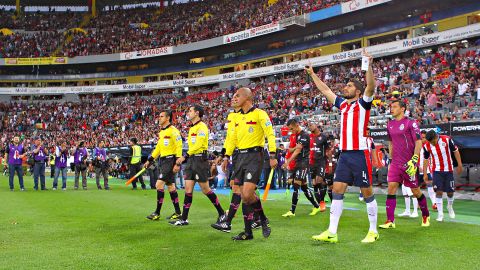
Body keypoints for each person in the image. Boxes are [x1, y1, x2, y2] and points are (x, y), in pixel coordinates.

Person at [308, 49, 379, 243]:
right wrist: (312, 74)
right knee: (337, 191)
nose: (344, 88)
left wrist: (369, 65)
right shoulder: (343, 105)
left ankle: (373, 231)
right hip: (345, 155)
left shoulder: (363, 103)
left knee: (367, 193)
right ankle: (332, 232)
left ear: (357, 91)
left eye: (348, 86)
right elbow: (325, 90)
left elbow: (371, 86)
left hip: (360, 153)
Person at [213, 87, 277, 241]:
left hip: (255, 155)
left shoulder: (259, 114)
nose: (234, 98)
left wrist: (273, 155)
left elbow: (270, 134)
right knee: (244, 196)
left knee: (248, 194)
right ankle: (248, 232)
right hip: (239, 157)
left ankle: (262, 219)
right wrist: (226, 156)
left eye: (237, 95)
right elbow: (232, 139)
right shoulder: (235, 117)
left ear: (247, 98)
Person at [378, 100, 430, 229]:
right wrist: (390, 159)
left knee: (416, 191)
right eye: (391, 107)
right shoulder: (389, 124)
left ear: (402, 109)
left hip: (409, 163)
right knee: (391, 189)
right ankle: (390, 220)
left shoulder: (411, 123)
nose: (392, 109)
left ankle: (425, 215)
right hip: (395, 163)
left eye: (395, 107)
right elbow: (390, 143)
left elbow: (418, 142)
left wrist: (415, 159)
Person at [170, 105, 225, 226]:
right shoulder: (192, 128)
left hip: (200, 159)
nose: (188, 113)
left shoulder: (202, 127)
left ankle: (222, 213)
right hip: (191, 160)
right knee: (188, 189)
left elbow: (199, 145)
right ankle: (184, 219)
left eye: (190, 111)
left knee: (206, 190)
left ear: (197, 113)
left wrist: (185, 155)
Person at [144, 110, 183, 221]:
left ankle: (157, 213)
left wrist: (177, 163)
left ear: (168, 118)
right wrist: (150, 159)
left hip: (170, 160)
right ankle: (178, 212)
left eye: (161, 116)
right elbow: (159, 148)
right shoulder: (162, 132)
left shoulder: (173, 131)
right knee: (170, 186)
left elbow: (179, 146)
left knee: (159, 184)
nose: (159, 118)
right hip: (163, 160)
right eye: (159, 116)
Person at [210, 103, 242, 233]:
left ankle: (229, 219)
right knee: (236, 185)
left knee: (243, 189)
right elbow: (229, 140)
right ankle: (230, 217)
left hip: (247, 156)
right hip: (237, 156)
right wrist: (224, 157)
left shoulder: (251, 116)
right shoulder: (232, 117)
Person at [281, 119, 321, 217]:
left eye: (292, 129)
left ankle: (292, 211)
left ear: (297, 125)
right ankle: (316, 206)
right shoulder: (297, 136)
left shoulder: (304, 135)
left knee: (296, 185)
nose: (291, 131)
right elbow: (291, 149)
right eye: (290, 130)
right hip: (298, 163)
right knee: (304, 187)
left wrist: (288, 162)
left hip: (303, 163)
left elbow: (297, 151)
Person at [423, 130, 463, 222]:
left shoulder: (447, 140)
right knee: (439, 192)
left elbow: (455, 151)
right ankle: (440, 214)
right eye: (430, 142)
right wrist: (425, 173)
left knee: (450, 193)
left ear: (436, 137)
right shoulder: (427, 146)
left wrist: (460, 165)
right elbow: (425, 160)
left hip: (448, 170)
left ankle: (449, 206)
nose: (432, 144)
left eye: (433, 142)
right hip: (436, 171)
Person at [308, 122, 330, 211]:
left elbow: (328, 150)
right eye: (309, 126)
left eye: (311, 125)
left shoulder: (323, 137)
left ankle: (322, 202)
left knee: (319, 180)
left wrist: (330, 164)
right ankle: (320, 203)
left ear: (316, 126)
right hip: (311, 163)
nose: (310, 127)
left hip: (321, 162)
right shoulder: (309, 137)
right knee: (314, 184)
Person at [419, 130, 437, 210]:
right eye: (421, 137)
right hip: (418, 169)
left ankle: (434, 203)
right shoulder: (417, 146)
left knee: (430, 186)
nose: (422, 139)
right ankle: (418, 204)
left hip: (428, 170)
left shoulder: (430, 146)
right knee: (416, 187)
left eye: (424, 137)